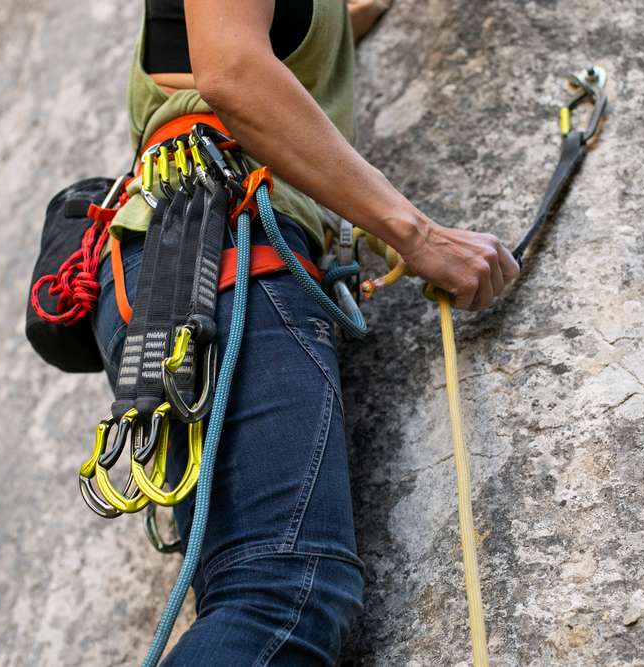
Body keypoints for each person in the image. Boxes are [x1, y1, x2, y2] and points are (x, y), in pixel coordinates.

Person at [92, 1, 519, 664]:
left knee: (257, 588)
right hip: (224, 248)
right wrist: (418, 234)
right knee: (281, 590)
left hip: (188, 263)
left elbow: (271, 37)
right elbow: (233, 69)